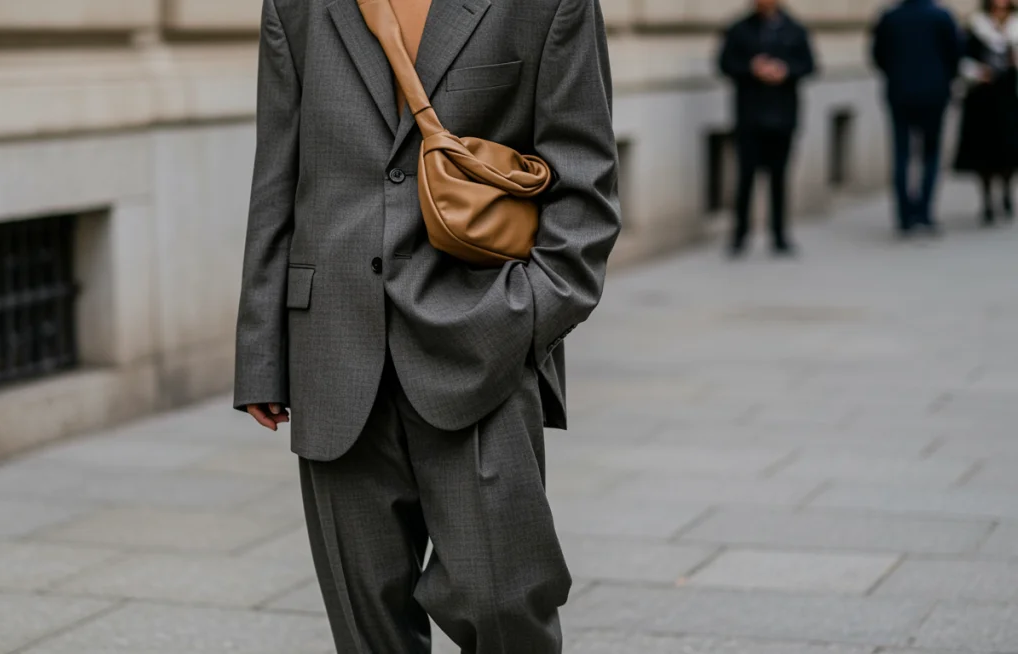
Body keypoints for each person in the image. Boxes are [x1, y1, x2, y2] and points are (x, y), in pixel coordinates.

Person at [234, 0, 622, 651]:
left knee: (504, 608)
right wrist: (262, 354)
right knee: (367, 629)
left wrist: (521, 319)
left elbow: (585, 194)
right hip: (332, 346)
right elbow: (277, 176)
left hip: (483, 344)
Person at [718, 0, 817, 258]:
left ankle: (780, 235)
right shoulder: (739, 28)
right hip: (749, 116)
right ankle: (740, 235)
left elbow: (809, 65)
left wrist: (785, 71)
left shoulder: (794, 29)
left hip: (783, 115)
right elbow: (725, 64)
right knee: (745, 177)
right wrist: (752, 69)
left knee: (779, 178)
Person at [872, 0, 963, 237]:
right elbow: (955, 54)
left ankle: (904, 216)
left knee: (901, 154)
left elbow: (878, 55)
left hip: (900, 91)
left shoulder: (891, 17)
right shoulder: (941, 16)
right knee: (930, 154)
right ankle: (924, 213)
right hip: (934, 93)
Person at [953, 0, 1018, 226]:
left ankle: (1007, 192)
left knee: (1009, 149)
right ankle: (987, 201)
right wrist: (978, 72)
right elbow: (960, 59)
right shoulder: (976, 28)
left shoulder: (1015, 29)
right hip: (983, 100)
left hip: (1010, 98)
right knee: (984, 151)